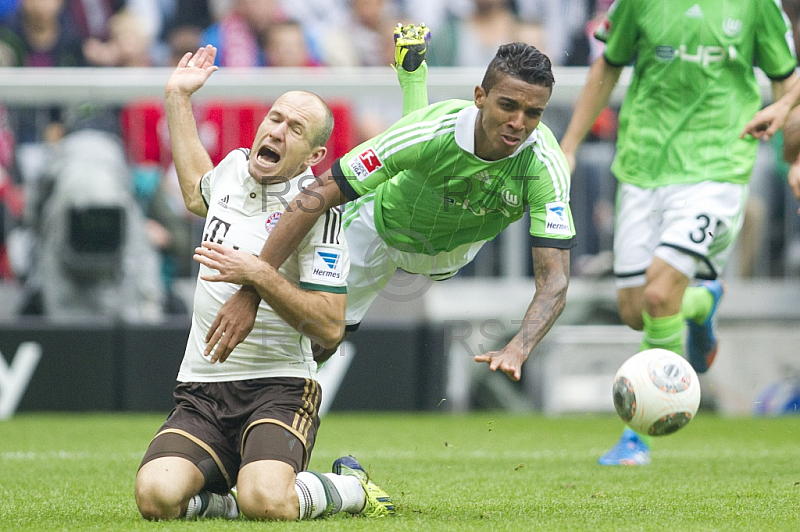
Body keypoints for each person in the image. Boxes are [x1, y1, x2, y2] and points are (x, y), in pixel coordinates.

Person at [201, 27, 576, 384]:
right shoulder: (429, 133)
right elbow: (317, 194)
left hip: (446, 255)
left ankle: (413, 74)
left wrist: (518, 348)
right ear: (480, 96)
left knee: (416, 151)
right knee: (320, 340)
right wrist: (253, 287)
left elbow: (554, 279)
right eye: (507, 106)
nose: (517, 123)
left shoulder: (546, 165)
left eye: (533, 113)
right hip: (377, 226)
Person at [134, 44, 395, 521]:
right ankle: (226, 504)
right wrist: (177, 96)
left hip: (281, 386)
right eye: (275, 119)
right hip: (203, 386)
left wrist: (258, 273)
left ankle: (350, 487)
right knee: (155, 497)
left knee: (269, 502)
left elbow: (331, 326)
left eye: (295, 128)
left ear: (314, 155)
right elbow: (197, 191)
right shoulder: (233, 169)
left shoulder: (319, 209)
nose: (277, 130)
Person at [559, 0, 798, 465]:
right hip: (643, 166)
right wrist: (569, 145)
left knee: (658, 294)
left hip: (718, 166)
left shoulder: (756, 6)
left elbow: (786, 78)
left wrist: (797, 156)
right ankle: (702, 300)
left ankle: (638, 437)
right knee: (634, 310)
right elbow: (605, 67)